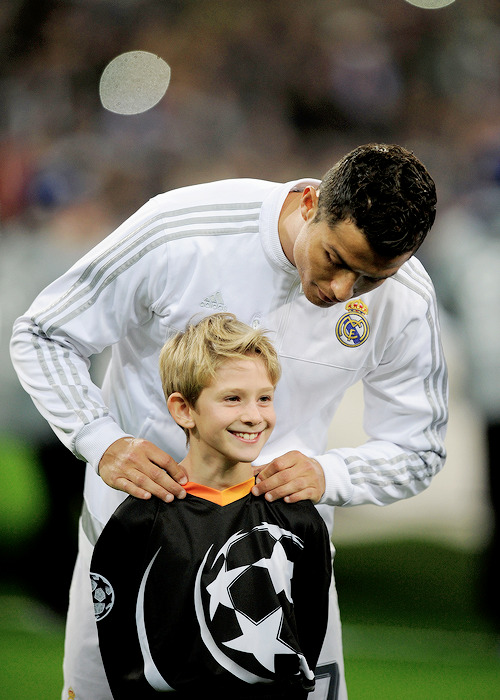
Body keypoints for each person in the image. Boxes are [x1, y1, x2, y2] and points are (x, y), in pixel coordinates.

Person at [10, 143, 448, 700]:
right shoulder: (183, 229)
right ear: (311, 201)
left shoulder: (408, 299)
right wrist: (101, 440)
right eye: (336, 260)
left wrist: (330, 475)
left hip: (282, 565)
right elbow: (44, 333)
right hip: (131, 547)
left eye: (371, 278)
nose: (343, 291)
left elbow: (420, 449)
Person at [90, 312, 332, 699]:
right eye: (233, 399)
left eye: (264, 398)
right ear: (184, 409)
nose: (254, 416)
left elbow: (309, 633)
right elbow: (120, 648)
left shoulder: (296, 516)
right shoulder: (140, 520)